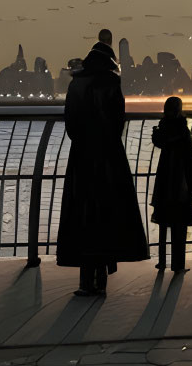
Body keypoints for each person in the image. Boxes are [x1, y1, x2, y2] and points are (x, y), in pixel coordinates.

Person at [55, 35, 149, 295]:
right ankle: (102, 281)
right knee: (107, 214)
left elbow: (70, 122)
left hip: (82, 156)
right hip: (109, 156)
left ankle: (85, 282)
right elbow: (117, 121)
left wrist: (84, 140)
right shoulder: (112, 82)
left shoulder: (76, 85)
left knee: (82, 216)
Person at [150, 95, 192, 274]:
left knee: (164, 222)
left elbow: (159, 142)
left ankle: (162, 260)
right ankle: (178, 264)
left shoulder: (163, 128)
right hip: (180, 181)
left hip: (165, 181)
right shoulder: (182, 129)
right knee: (179, 225)